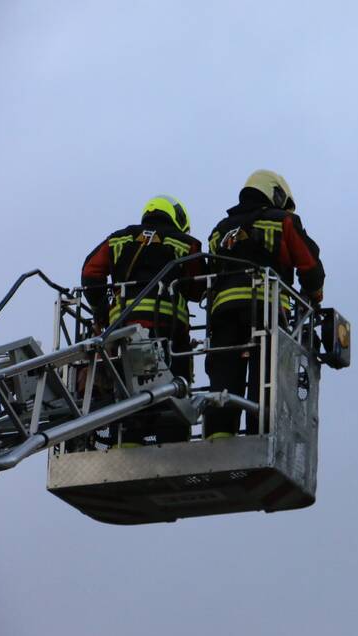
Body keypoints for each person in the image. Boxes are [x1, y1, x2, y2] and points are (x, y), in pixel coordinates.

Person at [204, 170, 325, 439]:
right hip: (265, 309)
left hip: (223, 313)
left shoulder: (219, 230)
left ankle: (218, 438)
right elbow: (310, 266)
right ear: (276, 193)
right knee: (266, 374)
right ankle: (262, 435)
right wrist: (314, 295)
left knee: (224, 375)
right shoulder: (283, 221)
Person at [81, 195, 205, 445]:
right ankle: (174, 443)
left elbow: (90, 273)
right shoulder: (185, 243)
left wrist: (103, 312)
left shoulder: (118, 239)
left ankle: (128, 441)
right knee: (173, 391)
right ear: (178, 218)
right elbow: (199, 287)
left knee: (128, 391)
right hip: (168, 330)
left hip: (123, 331)